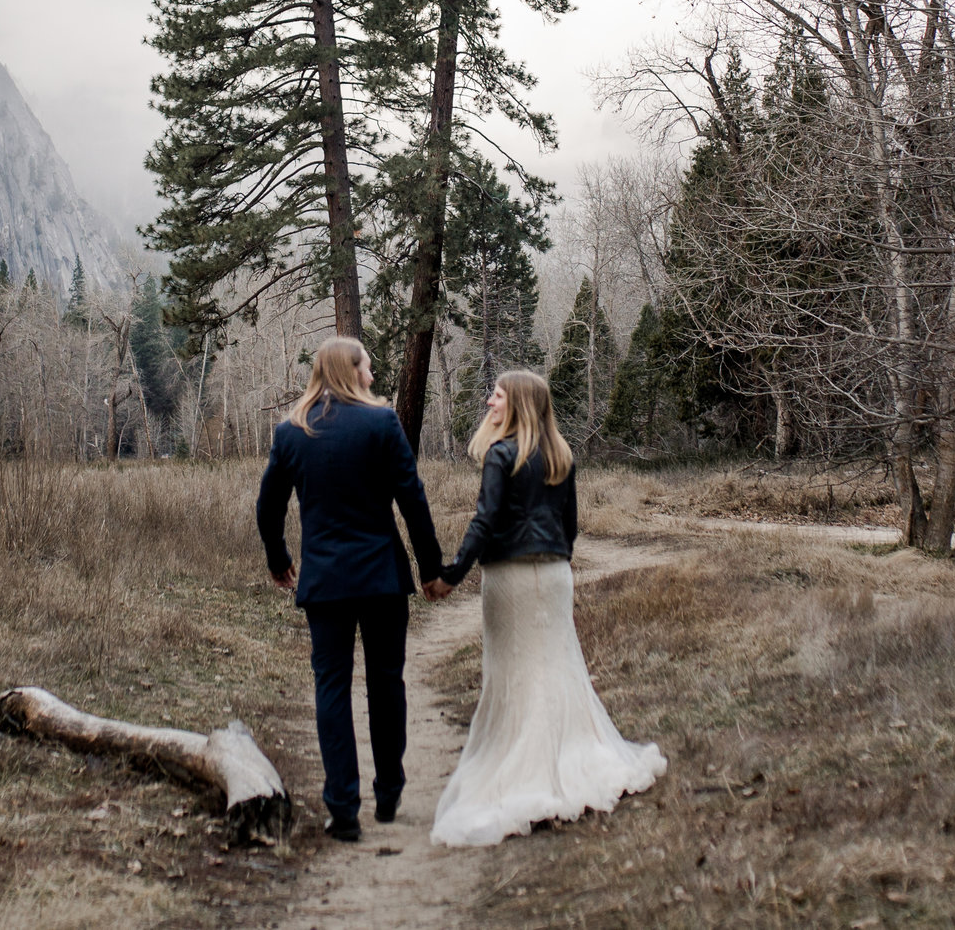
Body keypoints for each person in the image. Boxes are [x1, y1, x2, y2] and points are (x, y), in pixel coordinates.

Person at [429, 369, 666, 848]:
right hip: (556, 575)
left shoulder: (500, 455)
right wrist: (557, 560)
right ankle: (572, 759)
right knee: (556, 666)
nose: (489, 403)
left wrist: (452, 573)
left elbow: (485, 520)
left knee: (515, 671)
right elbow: (571, 525)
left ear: (515, 403)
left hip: (511, 579)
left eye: (496, 396)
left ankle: (527, 771)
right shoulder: (561, 455)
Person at [256, 335, 449, 843]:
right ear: (349, 370)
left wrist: (279, 559)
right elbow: (413, 498)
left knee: (331, 687)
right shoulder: (381, 423)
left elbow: (268, 506)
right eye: (367, 366)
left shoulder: (291, 432)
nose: (372, 374)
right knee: (387, 683)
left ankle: (342, 806)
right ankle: (388, 793)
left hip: (325, 581)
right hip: (381, 577)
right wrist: (431, 568)